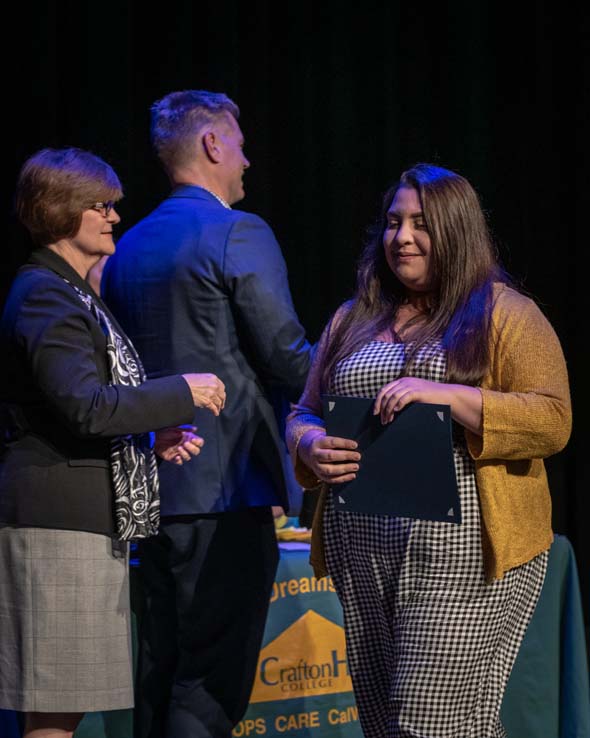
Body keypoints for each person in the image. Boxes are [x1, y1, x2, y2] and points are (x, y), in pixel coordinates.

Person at [286, 163, 571, 737]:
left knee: (430, 722)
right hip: (363, 542)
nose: (403, 237)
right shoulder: (353, 318)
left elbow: (553, 419)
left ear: (458, 231)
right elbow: (303, 410)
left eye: (422, 224)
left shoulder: (504, 312)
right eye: (394, 223)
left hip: (464, 547)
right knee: (389, 723)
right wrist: (311, 444)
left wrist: (449, 394)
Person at [101, 90, 313, 738]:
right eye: (240, 143)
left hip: (151, 493)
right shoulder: (235, 231)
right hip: (226, 492)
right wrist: (345, 389)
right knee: (211, 683)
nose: (247, 159)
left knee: (160, 672)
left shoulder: (125, 249)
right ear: (213, 145)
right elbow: (284, 351)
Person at [0, 147, 226, 738]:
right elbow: (85, 406)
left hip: (80, 517)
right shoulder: (45, 294)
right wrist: (182, 391)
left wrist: (148, 438)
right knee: (53, 708)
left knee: (64, 704)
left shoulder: (71, 294)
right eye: (102, 206)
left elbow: (72, 411)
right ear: (64, 210)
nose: (114, 217)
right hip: (55, 523)